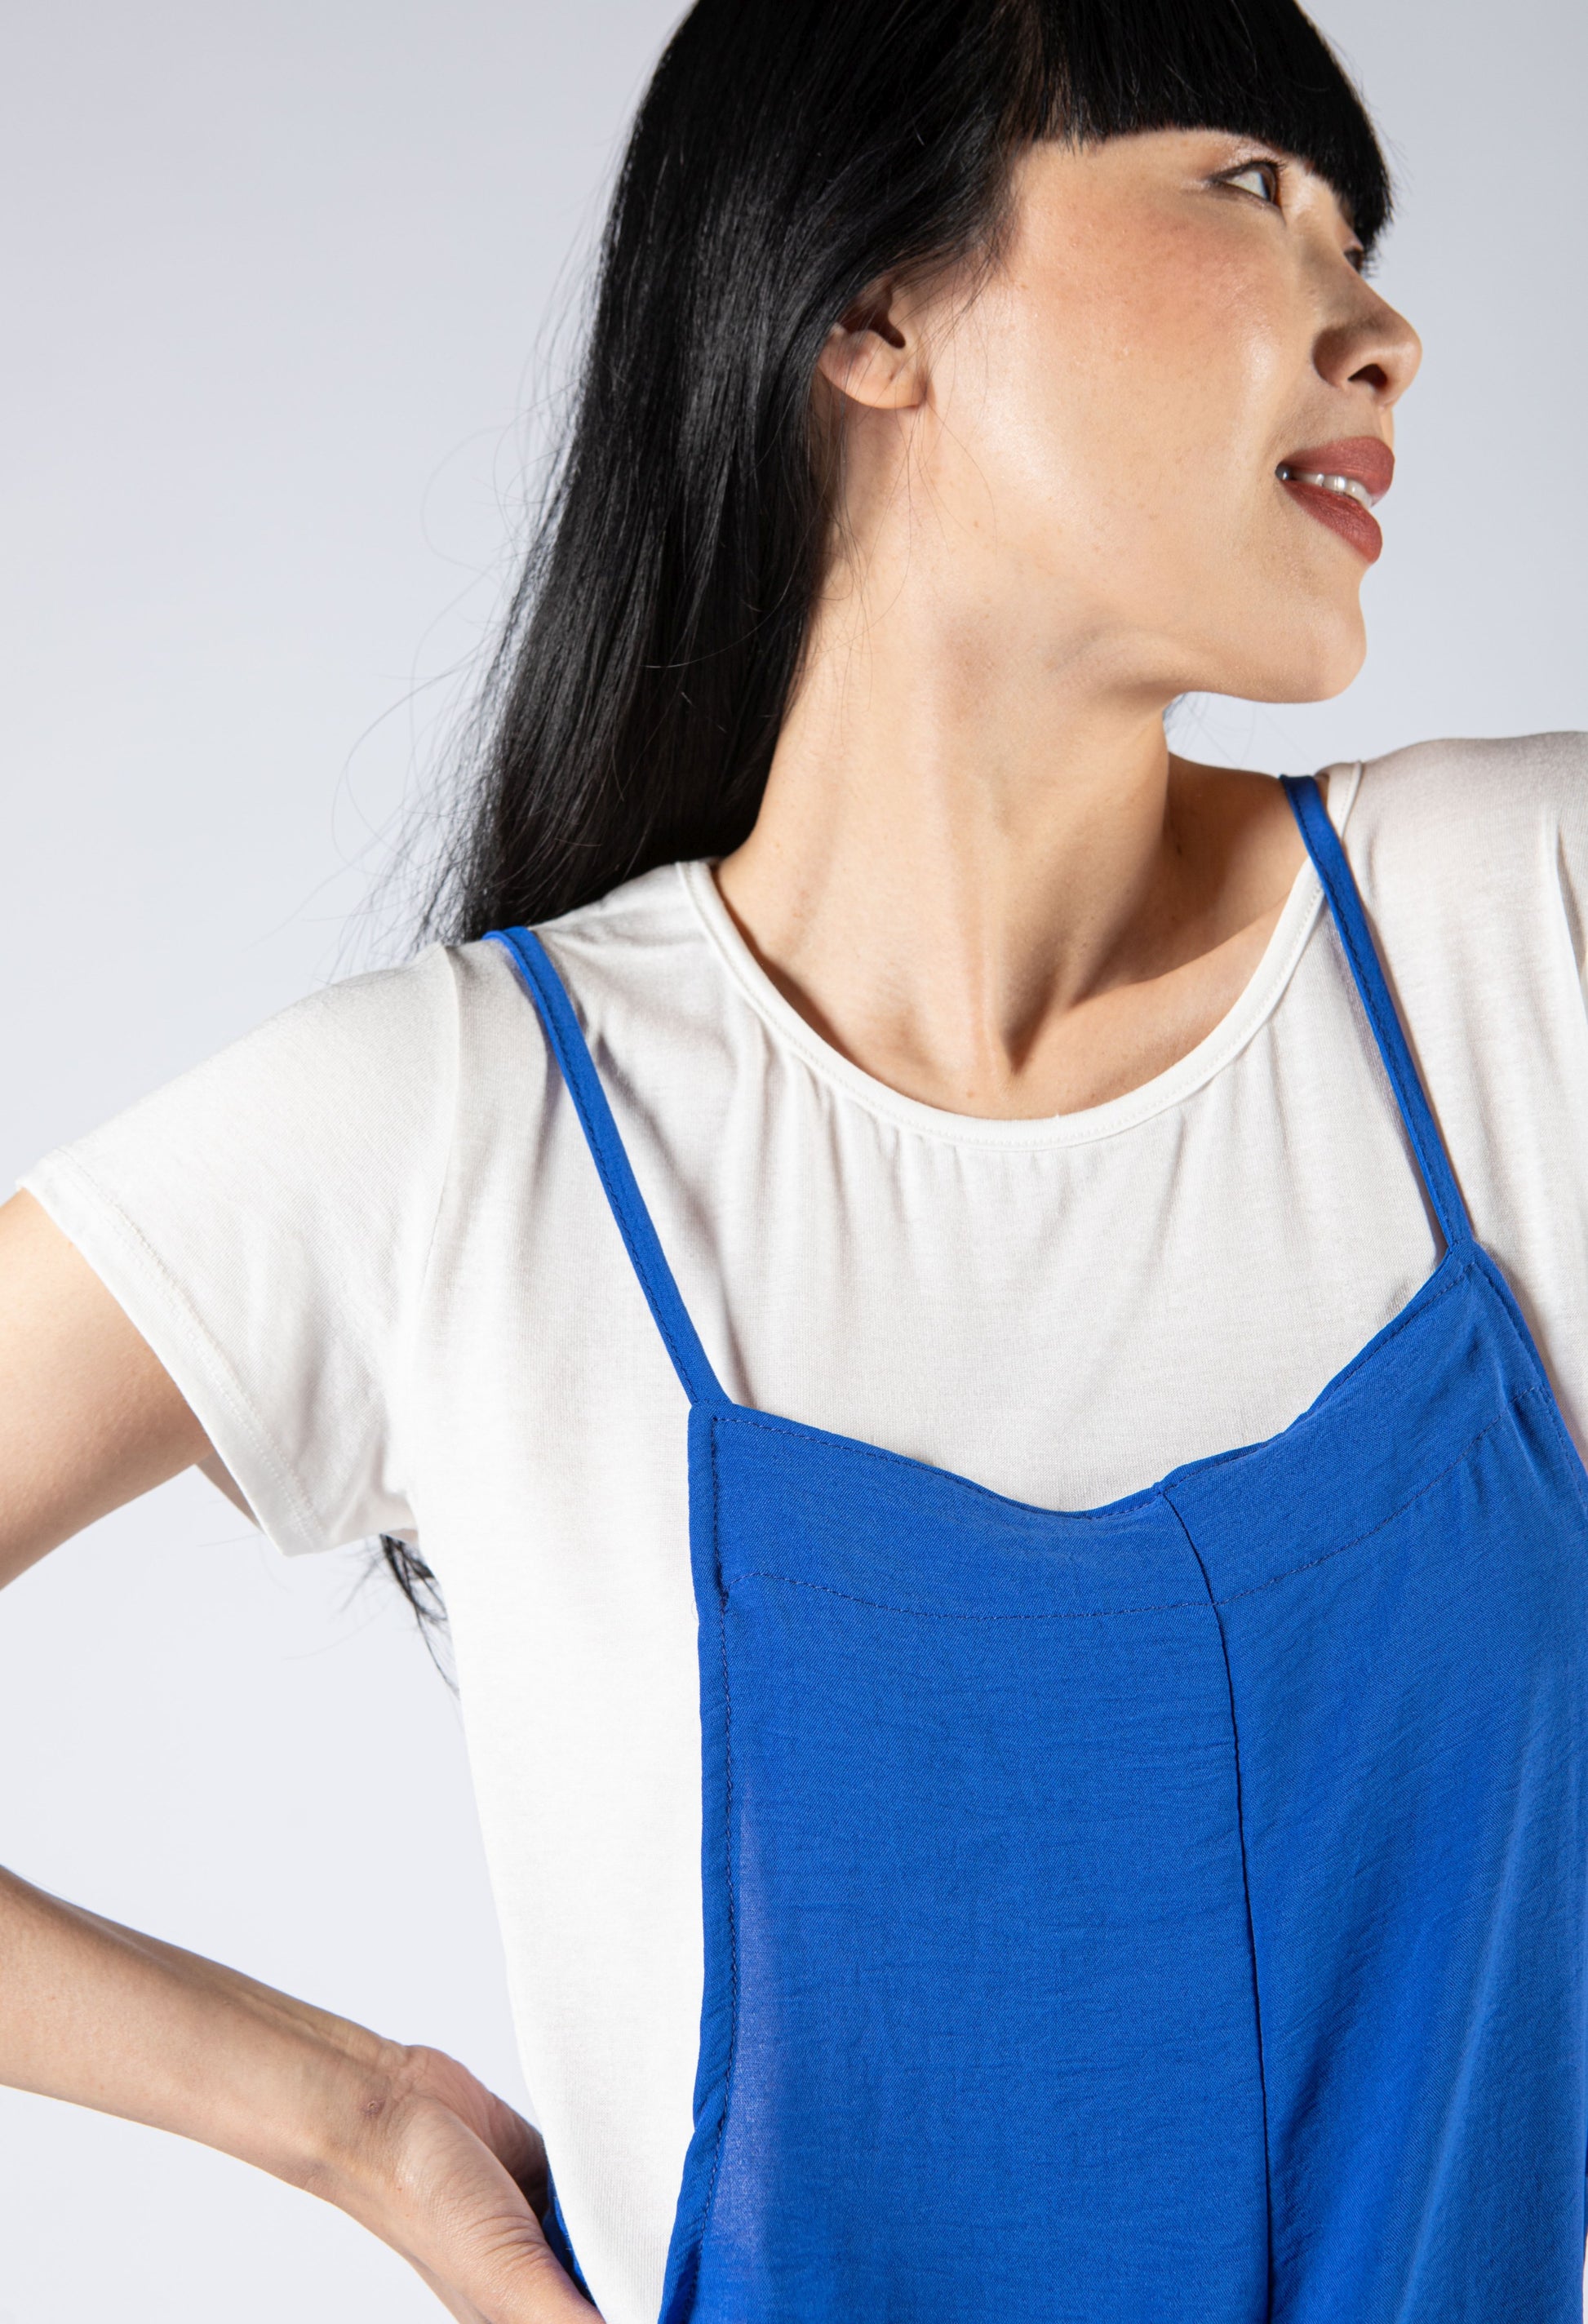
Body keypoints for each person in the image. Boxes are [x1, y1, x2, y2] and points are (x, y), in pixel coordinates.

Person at [3, 0, 1586, 2317]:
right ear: (871, 311)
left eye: (1363, 236)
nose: (1383, 329)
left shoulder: (1521, 941)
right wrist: (349, 2120)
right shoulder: (468, 1132)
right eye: (1250, 188)